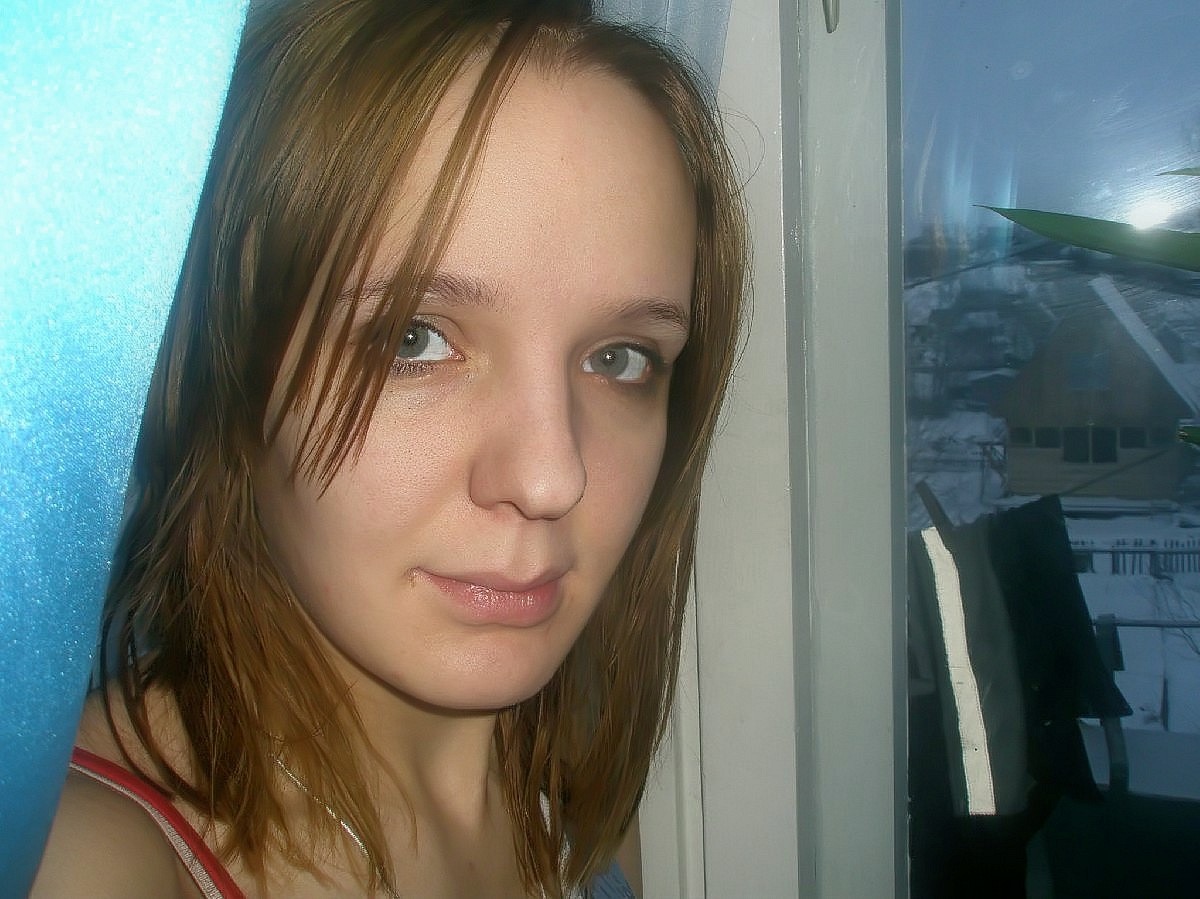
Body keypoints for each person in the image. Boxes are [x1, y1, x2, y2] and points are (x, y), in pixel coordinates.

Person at [31, 0, 747, 895]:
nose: (550, 477)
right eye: (415, 337)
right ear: (227, 365)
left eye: (619, 357)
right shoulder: (89, 860)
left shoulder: (567, 806)